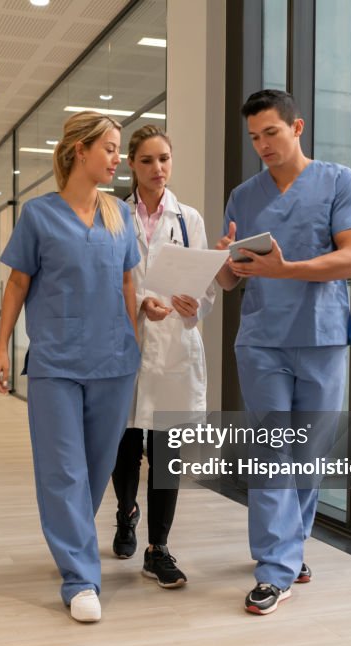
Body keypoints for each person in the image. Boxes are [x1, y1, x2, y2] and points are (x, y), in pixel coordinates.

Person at [213, 90, 351, 615]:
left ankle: (291, 543)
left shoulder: (339, 182)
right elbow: (232, 282)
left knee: (308, 455)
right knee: (271, 451)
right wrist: (222, 264)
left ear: (297, 127)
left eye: (271, 133)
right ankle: (275, 567)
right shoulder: (243, 196)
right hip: (261, 341)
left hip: (323, 338)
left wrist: (286, 270)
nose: (262, 145)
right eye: (254, 137)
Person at [0, 110, 141, 623]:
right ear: (81, 150)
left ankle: (72, 543)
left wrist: (135, 340)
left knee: (94, 472)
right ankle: (80, 578)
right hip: (56, 362)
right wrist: (1, 348)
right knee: (63, 471)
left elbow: (128, 286)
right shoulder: (38, 215)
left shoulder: (120, 214)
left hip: (115, 362)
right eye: (110, 148)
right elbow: (17, 285)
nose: (117, 158)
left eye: (118, 149)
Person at [110, 125, 216, 589]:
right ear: (132, 164)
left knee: (167, 452)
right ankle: (125, 512)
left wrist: (195, 307)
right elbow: (108, 277)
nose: (159, 169)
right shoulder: (113, 215)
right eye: (149, 160)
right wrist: (139, 305)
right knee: (126, 447)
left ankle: (159, 548)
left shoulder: (188, 218)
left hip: (174, 344)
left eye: (166, 159)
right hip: (127, 342)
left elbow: (206, 284)